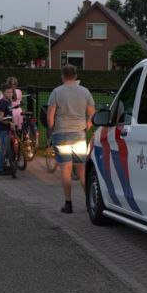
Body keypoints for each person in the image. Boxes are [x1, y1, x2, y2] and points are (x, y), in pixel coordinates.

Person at [46, 64, 95, 214]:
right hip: (79, 134)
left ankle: (68, 204)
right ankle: (89, 202)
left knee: (66, 170)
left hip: (61, 134)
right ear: (75, 75)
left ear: (62, 76)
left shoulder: (56, 92)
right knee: (82, 170)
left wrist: (51, 129)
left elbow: (50, 115)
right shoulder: (85, 92)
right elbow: (92, 114)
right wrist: (86, 127)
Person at [0, 81, 17, 176]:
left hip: (7, 128)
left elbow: (9, 114)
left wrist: (12, 122)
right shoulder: (3, 103)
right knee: (3, 148)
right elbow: (0, 118)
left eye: (11, 92)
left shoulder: (8, 101)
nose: (10, 94)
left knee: (7, 148)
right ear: (3, 92)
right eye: (7, 92)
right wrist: (9, 124)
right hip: (2, 128)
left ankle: (4, 165)